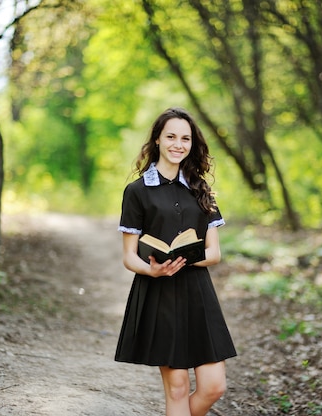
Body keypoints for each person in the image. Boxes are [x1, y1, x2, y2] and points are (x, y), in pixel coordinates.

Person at [115, 107, 237, 416]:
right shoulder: (137, 192)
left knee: (214, 386)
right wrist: (153, 270)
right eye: (171, 136)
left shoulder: (202, 189)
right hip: (159, 293)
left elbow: (215, 253)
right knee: (179, 388)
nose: (178, 144)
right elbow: (129, 256)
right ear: (157, 139)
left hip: (198, 292)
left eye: (185, 138)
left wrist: (187, 258)